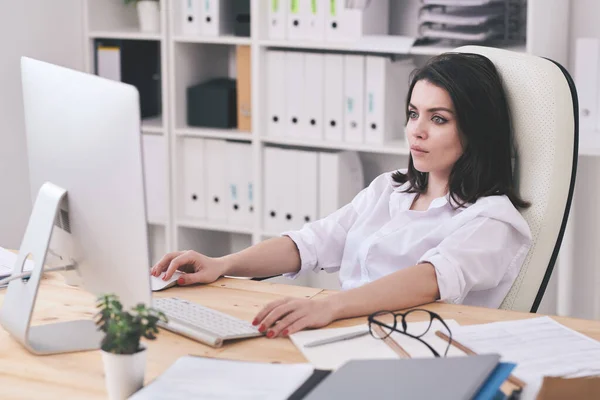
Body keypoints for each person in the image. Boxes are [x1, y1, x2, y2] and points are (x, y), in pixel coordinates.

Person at [150, 52, 532, 340]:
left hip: (415, 353)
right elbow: (311, 242)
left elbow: (430, 279)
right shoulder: (390, 188)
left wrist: (328, 306)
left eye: (438, 119)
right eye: (413, 114)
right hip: (347, 333)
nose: (416, 131)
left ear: (477, 130)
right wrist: (222, 264)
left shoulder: (492, 220)